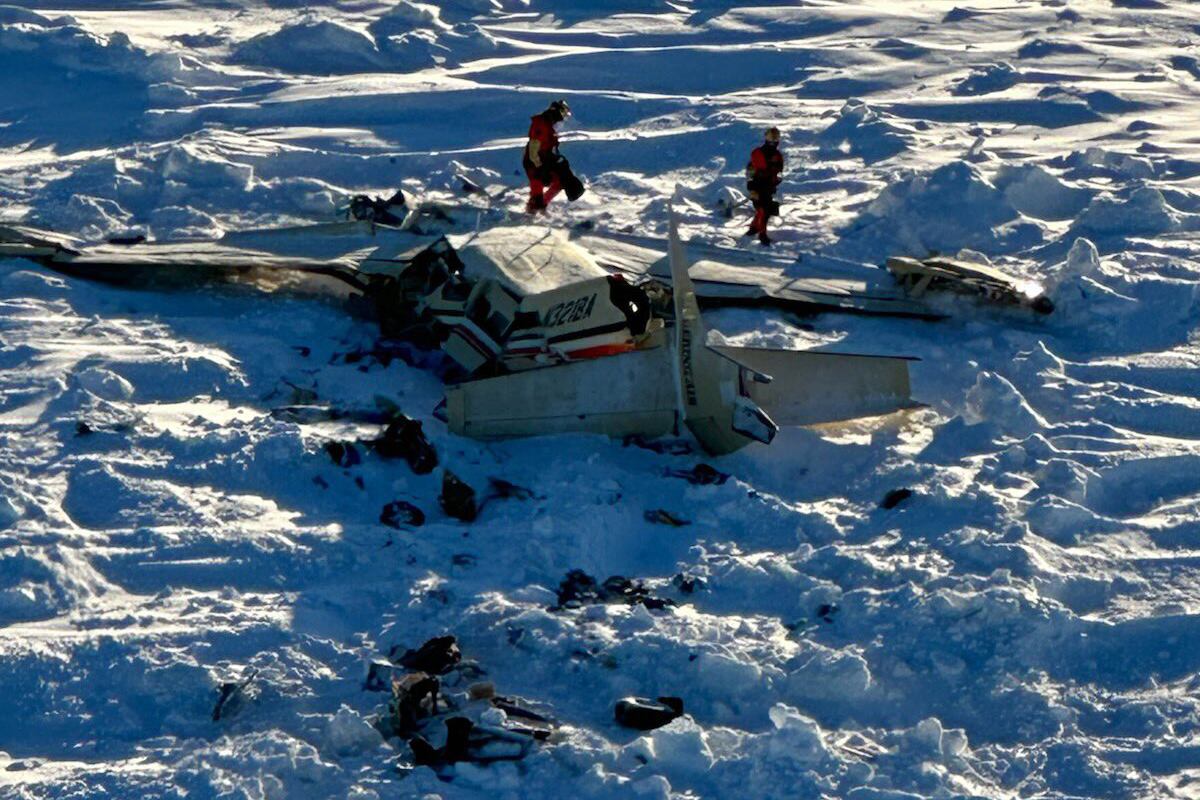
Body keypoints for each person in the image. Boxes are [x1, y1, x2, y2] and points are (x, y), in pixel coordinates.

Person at [524, 99, 571, 214]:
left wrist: (558, 160)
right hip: (534, 163)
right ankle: (532, 213)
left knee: (561, 181)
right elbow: (533, 150)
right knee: (537, 198)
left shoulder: (550, 126)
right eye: (563, 116)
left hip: (546, 160)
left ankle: (541, 206)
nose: (563, 120)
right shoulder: (541, 125)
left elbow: (551, 146)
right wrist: (539, 167)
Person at [745, 127, 784, 245]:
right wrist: (752, 188)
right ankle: (762, 234)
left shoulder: (777, 155)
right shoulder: (758, 153)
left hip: (769, 186)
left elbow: (779, 171)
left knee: (764, 210)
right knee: (763, 210)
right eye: (772, 138)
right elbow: (752, 171)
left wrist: (776, 179)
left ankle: (754, 227)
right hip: (757, 186)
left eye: (776, 138)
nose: (774, 141)